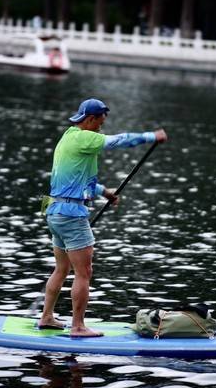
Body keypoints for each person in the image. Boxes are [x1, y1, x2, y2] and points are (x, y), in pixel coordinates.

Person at [39, 98, 168, 337]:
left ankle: (46, 317)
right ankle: (77, 327)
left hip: (55, 212)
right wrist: (151, 136)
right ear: (89, 119)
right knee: (84, 272)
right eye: (100, 122)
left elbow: (79, 178)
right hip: (71, 216)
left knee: (61, 268)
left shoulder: (69, 136)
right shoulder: (86, 137)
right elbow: (121, 140)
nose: (101, 127)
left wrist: (104, 192)